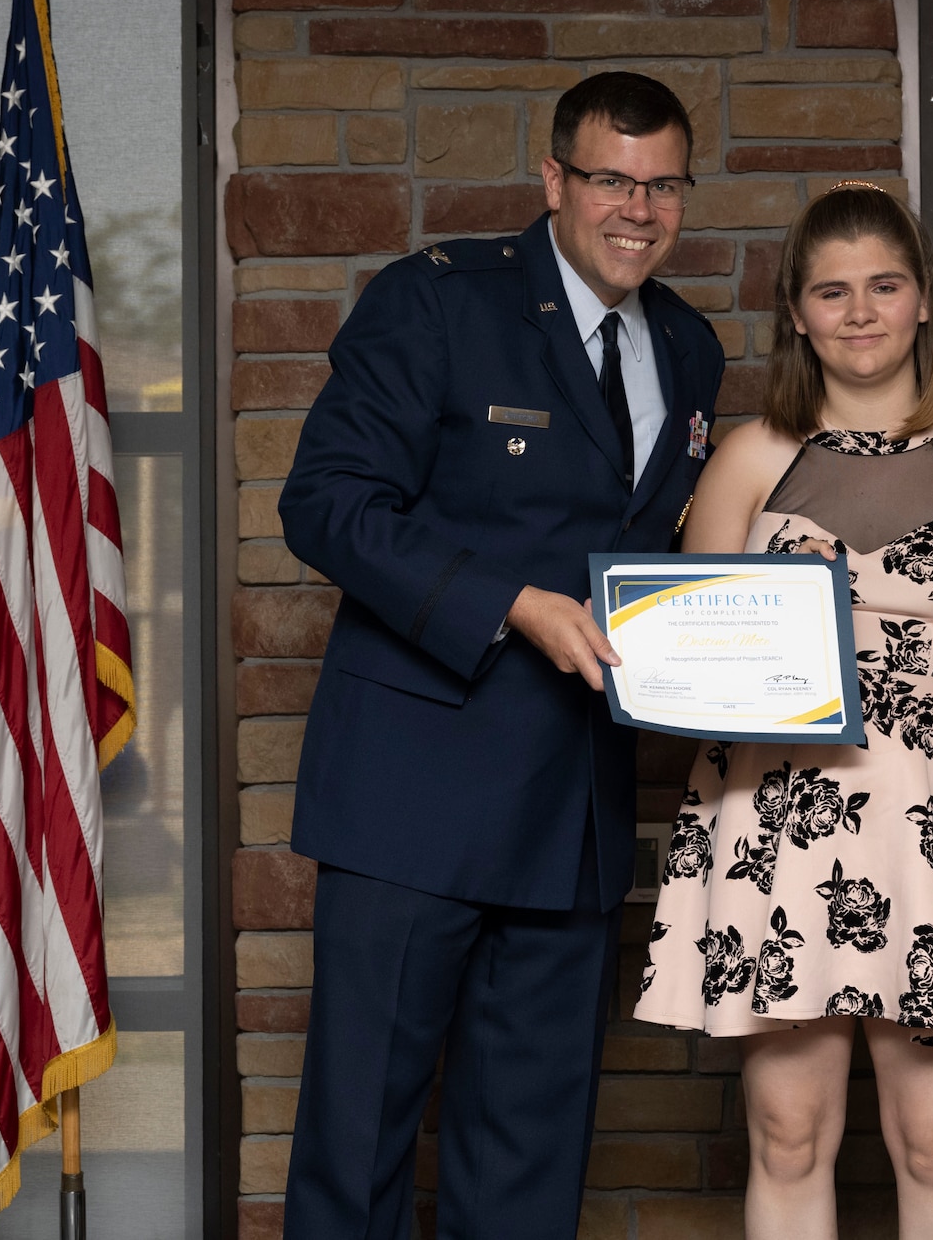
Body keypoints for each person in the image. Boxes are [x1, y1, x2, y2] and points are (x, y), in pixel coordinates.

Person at [277, 71, 726, 1238]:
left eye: (662, 183)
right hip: (408, 796)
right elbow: (324, 504)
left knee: (529, 1154)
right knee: (359, 1139)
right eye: (610, 180)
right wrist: (510, 602)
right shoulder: (436, 304)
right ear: (554, 181)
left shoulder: (687, 344)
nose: (637, 208)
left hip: (569, 806)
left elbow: (664, 550)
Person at [634, 183, 933, 1240]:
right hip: (777, 817)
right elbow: (693, 658)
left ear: (923, 300)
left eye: (883, 286)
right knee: (786, 1132)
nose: (858, 312)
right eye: (830, 292)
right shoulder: (747, 459)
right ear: (795, 312)